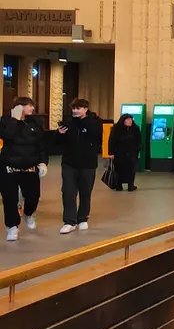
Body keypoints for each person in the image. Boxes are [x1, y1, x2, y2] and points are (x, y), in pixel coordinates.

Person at [0, 96, 47, 241]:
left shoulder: (35, 122)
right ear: (19, 107)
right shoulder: (6, 121)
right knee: (9, 199)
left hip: (29, 166)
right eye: (28, 106)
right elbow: (7, 136)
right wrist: (15, 120)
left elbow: (41, 145)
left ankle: (28, 213)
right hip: (9, 166)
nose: (32, 108)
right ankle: (12, 227)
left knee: (33, 196)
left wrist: (43, 162)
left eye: (32, 106)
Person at [57, 99, 103, 234]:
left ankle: (82, 218)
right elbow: (57, 142)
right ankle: (69, 222)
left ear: (85, 109)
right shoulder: (68, 122)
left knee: (85, 192)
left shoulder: (94, 122)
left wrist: (85, 122)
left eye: (78, 108)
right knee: (68, 192)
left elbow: (98, 137)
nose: (75, 111)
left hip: (88, 164)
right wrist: (59, 134)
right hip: (69, 163)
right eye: (73, 109)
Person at [108, 113, 142, 192]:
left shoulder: (135, 128)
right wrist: (111, 153)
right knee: (119, 169)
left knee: (131, 169)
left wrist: (138, 148)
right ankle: (118, 185)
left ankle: (131, 185)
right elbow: (111, 141)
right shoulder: (116, 128)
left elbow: (138, 139)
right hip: (119, 153)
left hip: (132, 153)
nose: (130, 121)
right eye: (127, 120)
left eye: (131, 120)